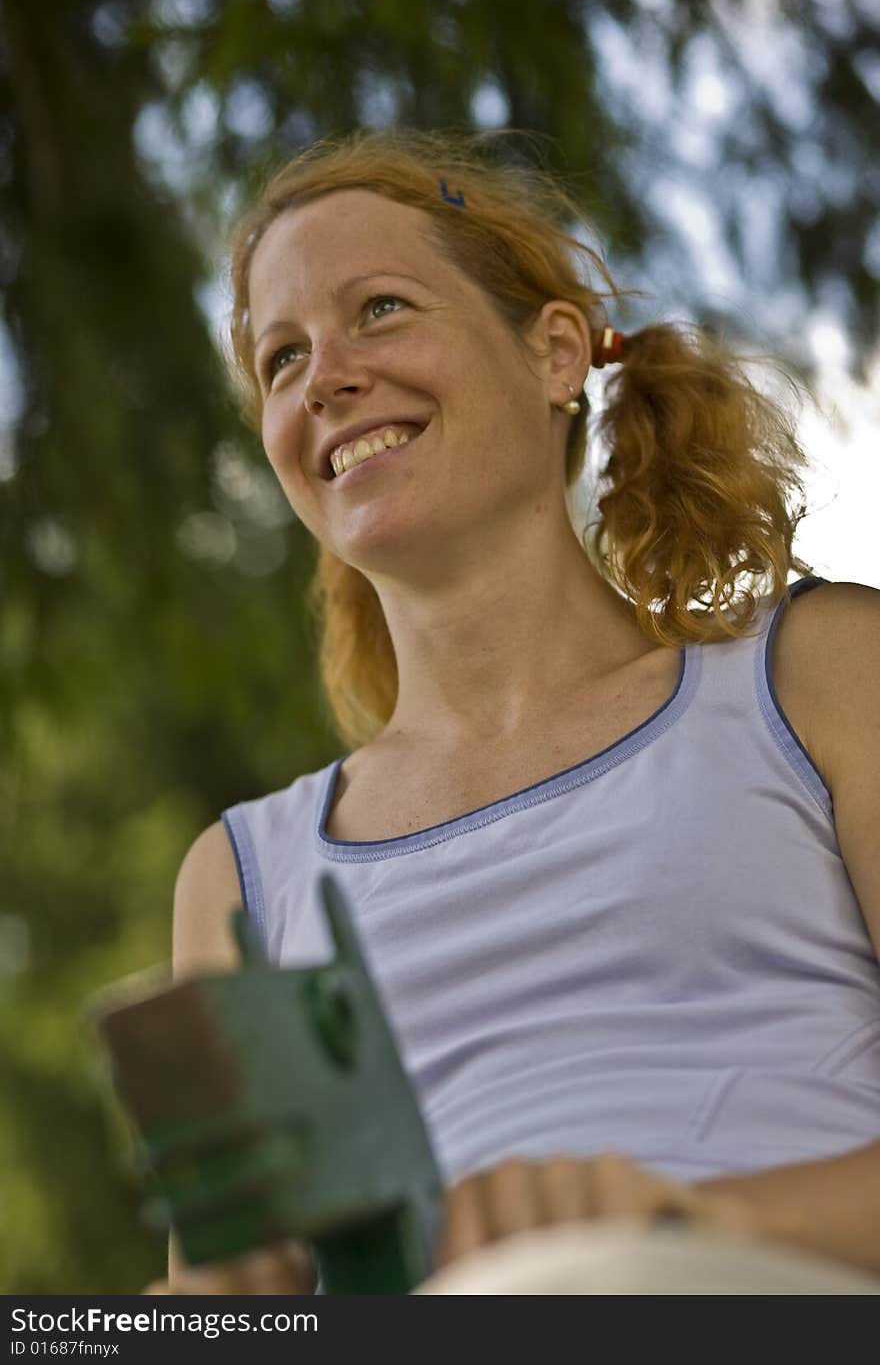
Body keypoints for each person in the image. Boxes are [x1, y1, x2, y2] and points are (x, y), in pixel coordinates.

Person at [149, 128, 880, 1295]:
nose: (325, 376)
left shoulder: (819, 676)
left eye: (379, 309)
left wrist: (684, 1217)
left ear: (552, 356)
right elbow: (225, 1306)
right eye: (282, 358)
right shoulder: (238, 878)